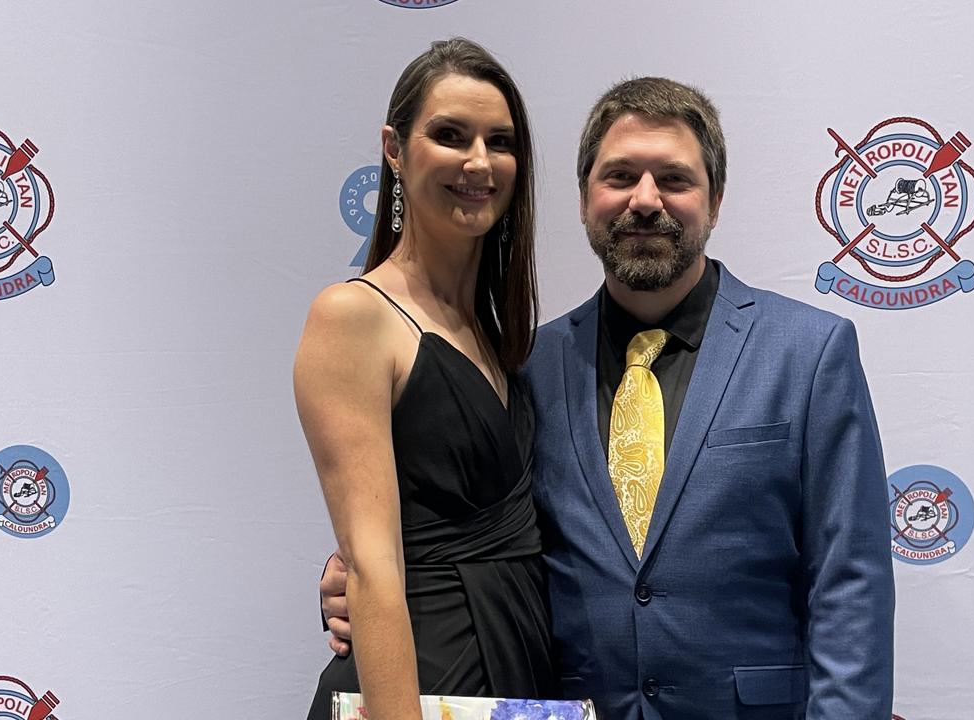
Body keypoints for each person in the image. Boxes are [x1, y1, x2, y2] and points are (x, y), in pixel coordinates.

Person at [321, 77, 895, 719]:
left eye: (674, 179)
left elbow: (852, 586)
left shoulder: (809, 352)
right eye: (619, 176)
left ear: (717, 198)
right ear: (586, 197)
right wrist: (359, 573)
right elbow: (475, 518)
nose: (645, 201)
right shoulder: (527, 365)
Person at [295, 38, 552, 720]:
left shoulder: (499, 337)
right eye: (449, 135)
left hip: (520, 676)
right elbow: (375, 573)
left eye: (499, 141)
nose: (478, 161)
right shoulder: (353, 315)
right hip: (418, 690)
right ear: (394, 149)